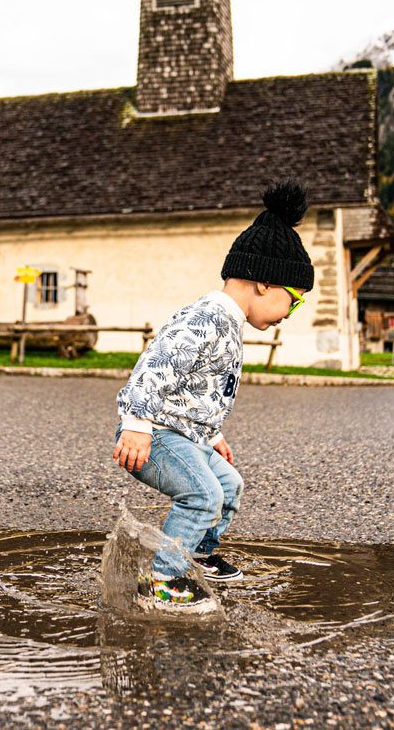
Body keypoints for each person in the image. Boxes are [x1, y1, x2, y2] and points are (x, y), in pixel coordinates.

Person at [113, 180, 314, 613]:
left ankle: (199, 552)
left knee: (229, 485)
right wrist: (135, 425)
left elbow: (202, 388)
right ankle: (164, 582)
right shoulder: (205, 319)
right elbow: (155, 366)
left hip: (189, 435)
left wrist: (213, 433)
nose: (287, 316)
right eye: (293, 301)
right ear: (264, 283)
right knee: (203, 495)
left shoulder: (229, 324)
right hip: (156, 434)